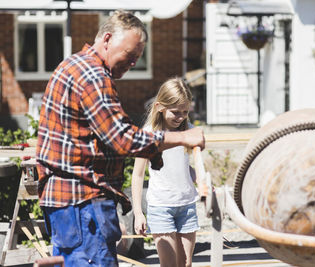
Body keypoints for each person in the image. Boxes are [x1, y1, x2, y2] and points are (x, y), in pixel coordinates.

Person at [35, 10, 204, 267]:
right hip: (82, 202)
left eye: (137, 58)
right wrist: (183, 137)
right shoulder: (93, 76)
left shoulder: (73, 65)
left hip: (68, 202)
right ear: (107, 39)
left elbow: (104, 137)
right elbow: (123, 138)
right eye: (129, 54)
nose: (133, 62)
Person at [132, 77, 200, 267]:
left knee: (185, 264)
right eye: (176, 112)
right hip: (161, 207)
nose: (181, 117)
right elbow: (137, 175)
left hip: (186, 206)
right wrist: (138, 212)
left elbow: (184, 166)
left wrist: (202, 180)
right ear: (160, 107)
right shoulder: (148, 135)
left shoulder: (189, 132)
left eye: (185, 112)